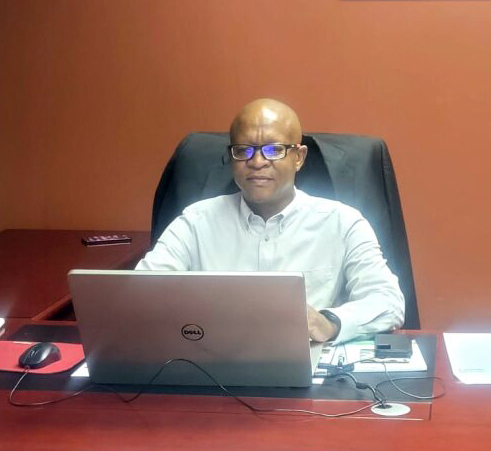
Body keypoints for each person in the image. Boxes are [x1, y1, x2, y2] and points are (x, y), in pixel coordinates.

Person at [136, 98, 404, 344]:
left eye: (274, 150)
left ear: (299, 158)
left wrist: (329, 323)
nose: (257, 162)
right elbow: (139, 296)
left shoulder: (342, 223)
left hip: (308, 362)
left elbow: (388, 301)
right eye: (244, 150)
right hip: (212, 360)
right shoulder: (196, 222)